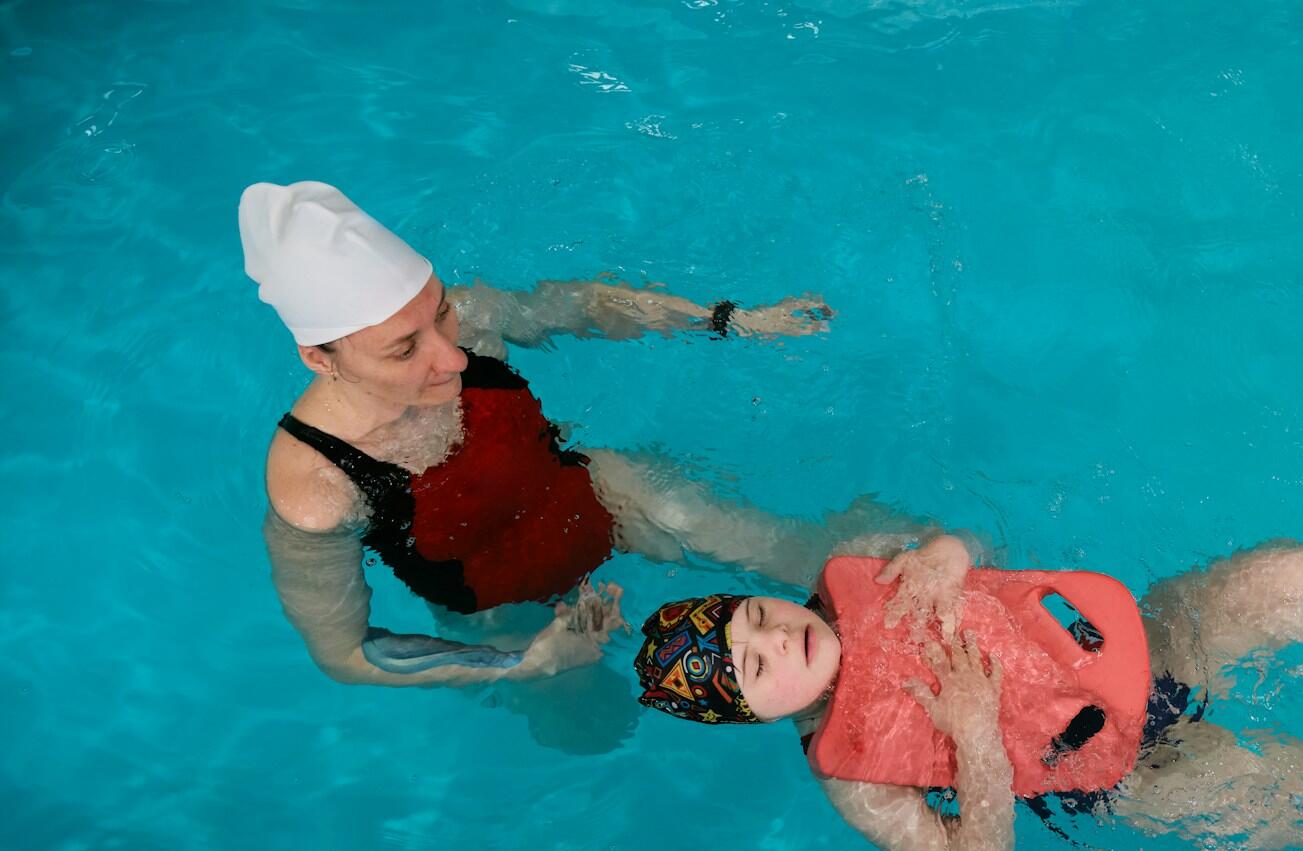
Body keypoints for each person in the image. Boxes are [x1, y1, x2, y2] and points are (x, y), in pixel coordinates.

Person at [248, 181, 903, 691]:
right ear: (319, 356)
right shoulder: (318, 490)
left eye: (440, 309)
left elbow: (586, 304)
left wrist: (730, 320)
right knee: (590, 728)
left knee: (845, 566)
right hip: (503, 609)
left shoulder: (466, 323)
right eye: (402, 350)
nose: (451, 356)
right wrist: (522, 664)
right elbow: (348, 655)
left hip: (604, 498)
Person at [630, 533, 1303, 851]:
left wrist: (948, 553)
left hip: (1126, 656)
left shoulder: (859, 568)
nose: (777, 640)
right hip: (1121, 783)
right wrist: (977, 738)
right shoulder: (856, 782)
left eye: (755, 616)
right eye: (754, 670)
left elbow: (980, 557)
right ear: (753, 716)